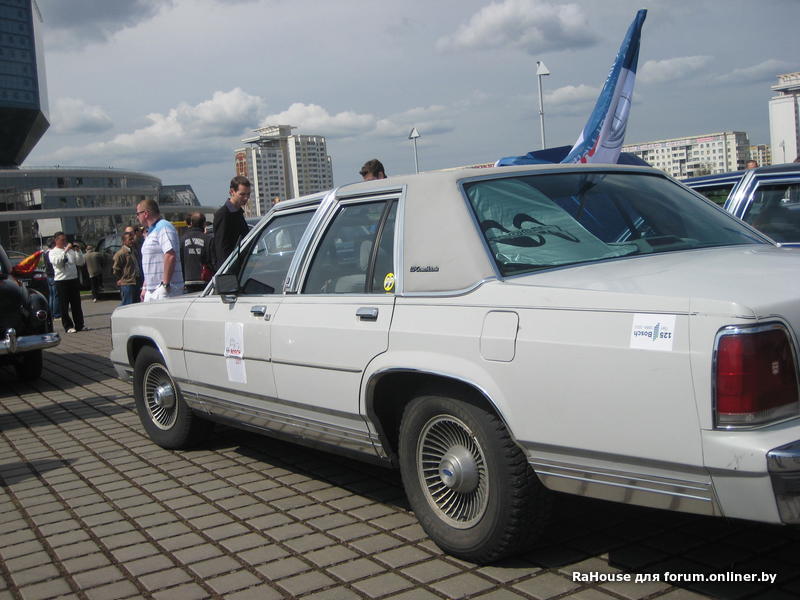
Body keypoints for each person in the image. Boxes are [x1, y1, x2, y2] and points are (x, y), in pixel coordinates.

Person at [135, 199, 184, 302]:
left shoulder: (164, 227)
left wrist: (165, 285)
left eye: (138, 214)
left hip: (165, 289)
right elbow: (150, 261)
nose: (137, 217)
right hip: (152, 289)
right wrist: (145, 286)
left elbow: (170, 255)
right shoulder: (151, 231)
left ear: (146, 213)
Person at [49, 232, 87, 333]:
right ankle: (68, 326)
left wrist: (78, 251)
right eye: (62, 240)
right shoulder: (53, 252)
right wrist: (65, 250)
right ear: (56, 240)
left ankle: (80, 324)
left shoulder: (71, 251)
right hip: (61, 281)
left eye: (65, 240)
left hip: (73, 279)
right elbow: (58, 262)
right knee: (64, 305)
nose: (65, 242)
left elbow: (80, 262)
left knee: (76, 304)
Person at [213, 175, 250, 270]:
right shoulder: (223, 214)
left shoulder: (238, 213)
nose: (246, 198)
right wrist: (226, 272)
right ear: (232, 192)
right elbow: (221, 248)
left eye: (248, 194)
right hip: (230, 269)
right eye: (242, 194)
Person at [181, 211, 213, 292]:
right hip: (204, 281)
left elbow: (180, 259)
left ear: (191, 223)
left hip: (187, 280)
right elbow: (212, 260)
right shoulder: (208, 239)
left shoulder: (183, 239)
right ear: (204, 224)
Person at [112, 232, 140, 306]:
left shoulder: (133, 251)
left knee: (136, 304)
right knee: (128, 305)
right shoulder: (120, 253)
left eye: (132, 239)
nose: (132, 241)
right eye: (130, 239)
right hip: (127, 283)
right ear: (124, 241)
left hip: (136, 282)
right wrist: (120, 279)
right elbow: (116, 269)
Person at [124, 224, 144, 302]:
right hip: (129, 281)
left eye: (132, 233)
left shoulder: (140, 245)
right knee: (129, 302)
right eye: (128, 234)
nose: (131, 236)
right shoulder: (123, 251)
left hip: (140, 278)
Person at [43, 240, 61, 319]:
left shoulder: (45, 253)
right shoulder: (51, 253)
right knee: (56, 295)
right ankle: (56, 313)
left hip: (48, 275)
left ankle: (51, 313)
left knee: (51, 296)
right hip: (53, 275)